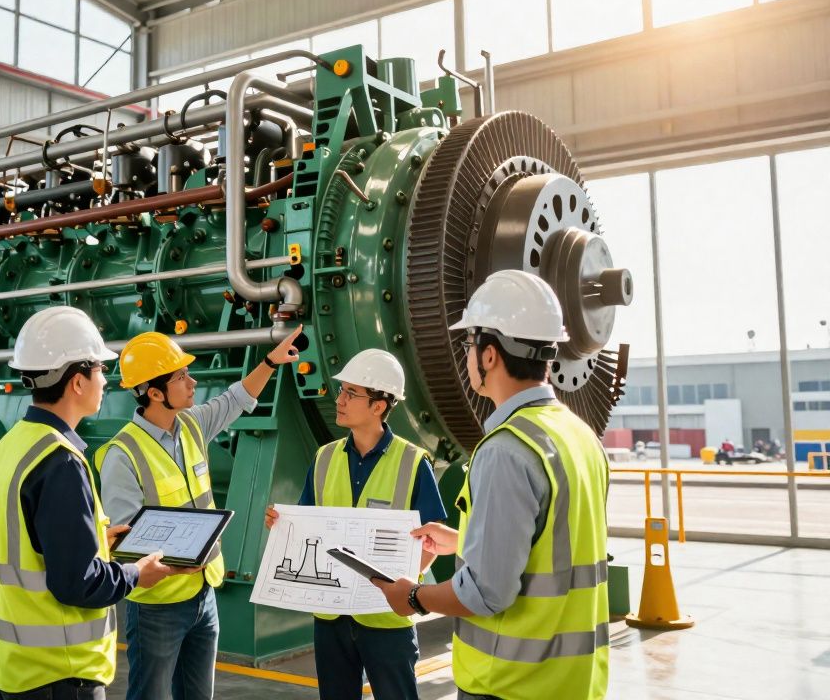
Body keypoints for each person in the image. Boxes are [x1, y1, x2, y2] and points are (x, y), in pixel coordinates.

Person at [371, 270, 611, 700]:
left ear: (490, 355)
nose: (467, 356)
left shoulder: (506, 449)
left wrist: (413, 597)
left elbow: (486, 592)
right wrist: (465, 540)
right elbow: (549, 546)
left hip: (511, 683)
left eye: (469, 344)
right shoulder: (580, 436)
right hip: (576, 682)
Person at [0, 306, 188, 700]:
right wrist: (133, 574)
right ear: (77, 382)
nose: (106, 380)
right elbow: (77, 584)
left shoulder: (11, 447)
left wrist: (95, 541)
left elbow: (29, 543)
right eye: (99, 369)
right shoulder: (59, 462)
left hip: (12, 666)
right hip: (60, 674)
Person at [97, 325, 303, 700]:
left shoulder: (191, 425)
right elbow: (127, 542)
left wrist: (271, 361)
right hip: (158, 606)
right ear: (155, 393)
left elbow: (236, 398)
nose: (192, 382)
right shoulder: (121, 455)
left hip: (204, 593)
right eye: (181, 376)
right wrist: (177, 565)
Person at [263, 349, 446, 700]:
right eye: (342, 390)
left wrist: (406, 590)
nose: (340, 399)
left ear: (379, 405)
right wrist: (283, 525)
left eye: (351, 393)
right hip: (332, 618)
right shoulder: (323, 457)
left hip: (386, 618)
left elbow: (432, 538)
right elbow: (307, 524)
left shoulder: (412, 461)